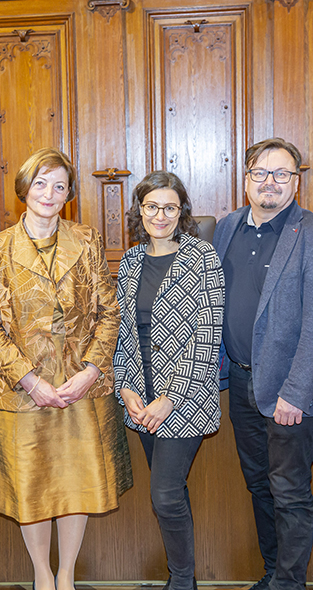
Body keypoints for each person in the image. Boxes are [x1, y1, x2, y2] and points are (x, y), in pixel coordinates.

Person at [0, 147, 131, 590]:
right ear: (25, 188)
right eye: (41, 183)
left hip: (80, 387)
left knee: (75, 482)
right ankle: (42, 574)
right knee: (33, 484)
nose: (49, 193)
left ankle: (67, 575)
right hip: (23, 391)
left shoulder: (87, 239)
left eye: (59, 185)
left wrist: (92, 372)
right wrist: (28, 379)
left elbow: (109, 313)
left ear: (69, 194)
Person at [213, 138, 313, 590]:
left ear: (297, 181)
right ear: (246, 178)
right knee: (259, 486)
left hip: (291, 392)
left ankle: (290, 584)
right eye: (260, 173)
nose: (270, 182)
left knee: (289, 493)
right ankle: (273, 575)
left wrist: (296, 392)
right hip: (243, 383)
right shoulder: (227, 228)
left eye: (281, 174)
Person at [112, 171, 224, 590]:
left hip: (185, 400)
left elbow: (207, 334)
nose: (161, 215)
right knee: (170, 494)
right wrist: (126, 389)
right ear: (140, 211)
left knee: (165, 496)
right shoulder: (129, 261)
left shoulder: (202, 257)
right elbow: (122, 333)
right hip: (140, 398)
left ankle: (181, 581)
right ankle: (183, 578)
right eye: (152, 206)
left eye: (170, 207)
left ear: (183, 212)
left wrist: (170, 398)